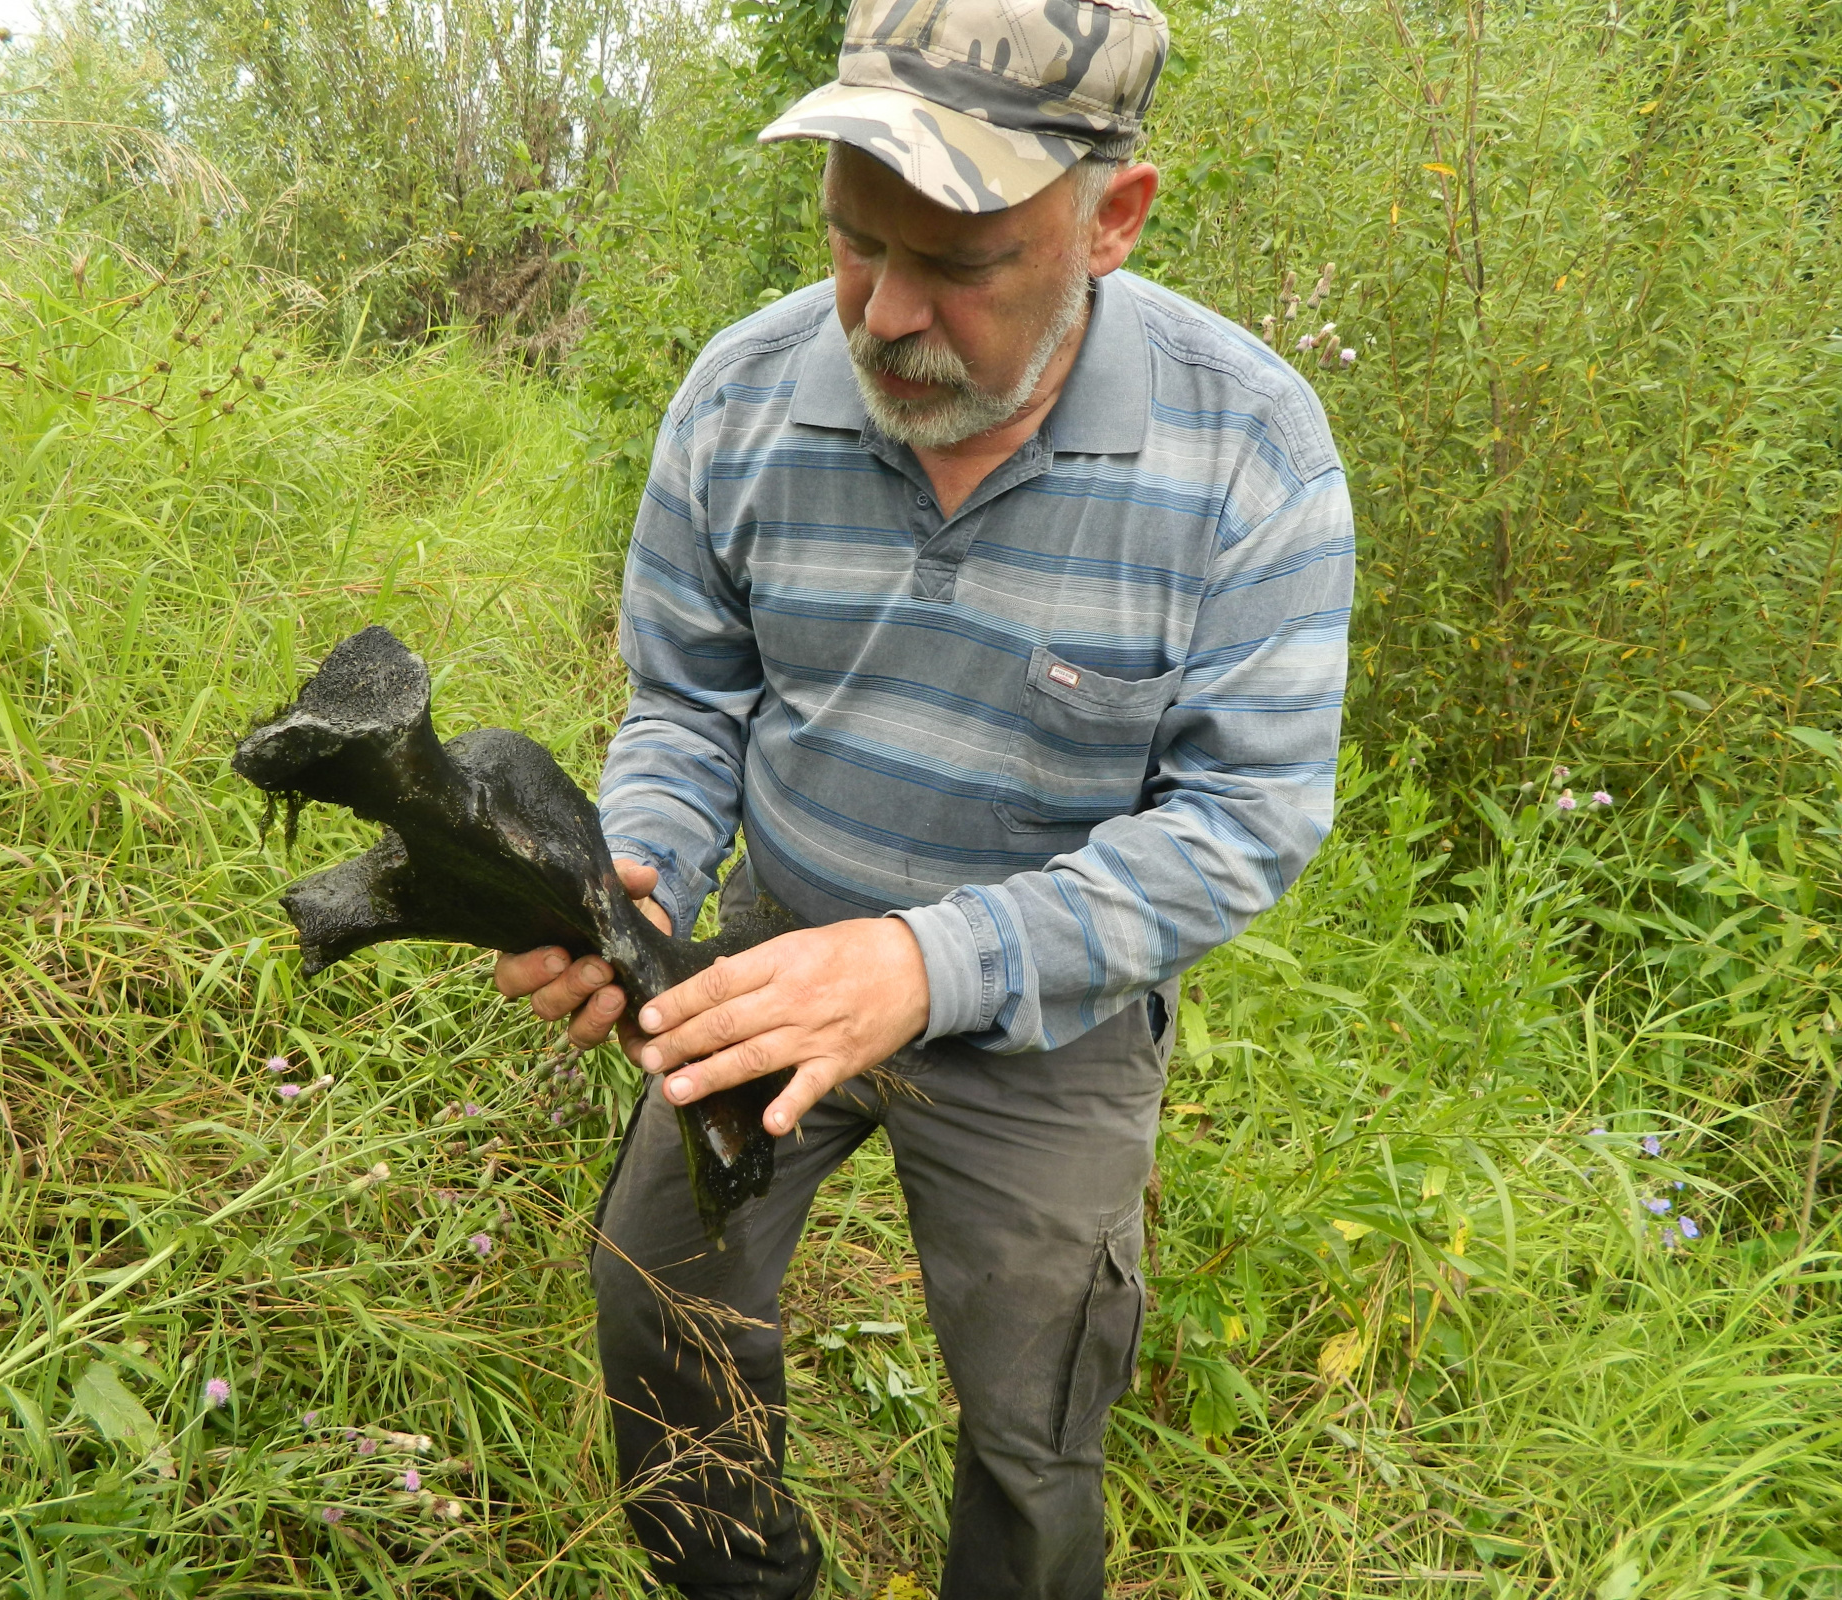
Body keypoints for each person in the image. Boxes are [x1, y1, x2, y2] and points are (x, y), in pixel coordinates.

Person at [494, 0, 1354, 1591]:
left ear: (1110, 220)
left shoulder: (1248, 451)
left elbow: (1242, 820)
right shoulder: (743, 396)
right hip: (765, 945)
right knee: (653, 1302)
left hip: (1052, 1025)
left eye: (956, 267)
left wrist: (919, 967)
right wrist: (641, 867)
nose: (882, 315)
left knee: (1034, 1422)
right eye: (850, 245)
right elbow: (691, 700)